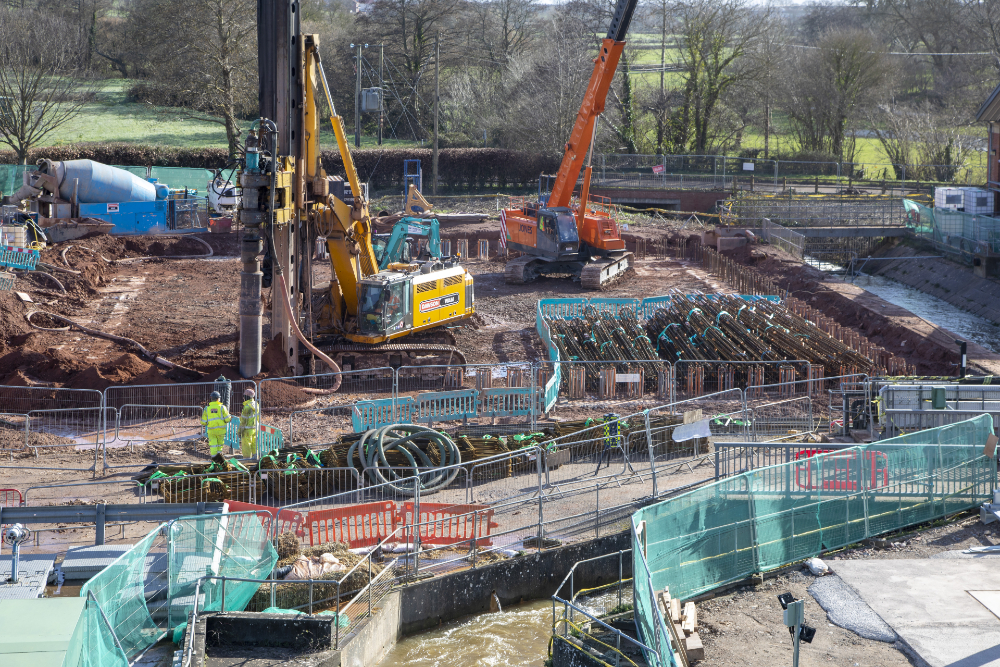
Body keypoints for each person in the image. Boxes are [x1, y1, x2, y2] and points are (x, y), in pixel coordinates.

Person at [201, 391, 231, 456]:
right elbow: (228, 419)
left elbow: (203, 422)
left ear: (211, 399)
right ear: (218, 399)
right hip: (221, 431)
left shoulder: (207, 409)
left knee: (213, 446)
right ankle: (219, 457)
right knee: (220, 445)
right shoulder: (222, 407)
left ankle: (214, 459)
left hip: (211, 431)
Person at [239, 388, 260, 459]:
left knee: (246, 445)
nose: (243, 397)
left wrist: (239, 431)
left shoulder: (247, 407)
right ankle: (255, 457)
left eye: (244, 396)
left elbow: (243, 422)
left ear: (247, 397)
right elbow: (258, 418)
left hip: (247, 430)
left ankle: (247, 460)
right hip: (255, 428)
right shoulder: (256, 405)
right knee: (254, 444)